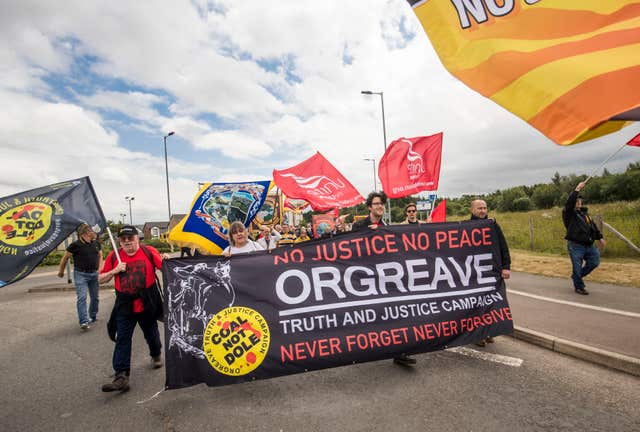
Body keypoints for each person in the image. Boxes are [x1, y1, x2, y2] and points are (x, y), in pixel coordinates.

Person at [99, 225, 166, 392]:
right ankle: (121, 376)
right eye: (123, 239)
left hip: (147, 301)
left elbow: (166, 268)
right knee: (122, 337)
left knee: (151, 333)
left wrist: (166, 260)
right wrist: (115, 270)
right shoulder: (114, 256)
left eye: (131, 238)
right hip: (124, 304)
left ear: (138, 238)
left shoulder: (148, 251)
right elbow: (100, 279)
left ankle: (156, 353)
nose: (127, 242)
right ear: (119, 242)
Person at [352, 192, 414, 366]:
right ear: (370, 207)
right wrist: (368, 235)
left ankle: (400, 352)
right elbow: (351, 251)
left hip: (385, 279)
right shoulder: (359, 225)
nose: (380, 206)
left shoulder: (387, 225)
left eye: (382, 204)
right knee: (370, 317)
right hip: (365, 280)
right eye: (376, 203)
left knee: (394, 314)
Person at [469, 199, 511, 347]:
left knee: (492, 303)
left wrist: (506, 266)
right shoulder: (465, 227)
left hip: (492, 272)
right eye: (479, 208)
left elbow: (503, 246)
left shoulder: (493, 225)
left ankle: (489, 332)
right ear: (472, 210)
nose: (482, 211)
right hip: (474, 275)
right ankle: (478, 335)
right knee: (476, 305)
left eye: (485, 208)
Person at [562, 181, 605, 295]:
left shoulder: (585, 214)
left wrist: (599, 237)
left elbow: (593, 226)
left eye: (580, 200)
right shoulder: (569, 214)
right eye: (577, 200)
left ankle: (576, 276)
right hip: (576, 246)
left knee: (594, 262)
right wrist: (577, 189)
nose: (579, 202)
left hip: (589, 245)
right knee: (577, 267)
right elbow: (569, 204)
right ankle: (579, 287)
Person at [58, 223, 103, 331]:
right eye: (92, 231)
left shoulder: (96, 243)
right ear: (87, 233)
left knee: (95, 297)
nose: (95, 233)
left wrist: (100, 269)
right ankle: (83, 321)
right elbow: (65, 258)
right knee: (82, 297)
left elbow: (100, 255)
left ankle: (92, 316)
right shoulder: (75, 245)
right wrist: (61, 271)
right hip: (80, 275)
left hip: (94, 274)